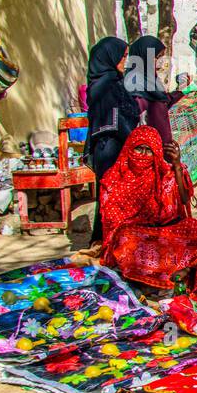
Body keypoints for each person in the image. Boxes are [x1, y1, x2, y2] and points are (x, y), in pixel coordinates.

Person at [98, 126, 197, 290]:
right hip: (134, 235)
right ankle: (144, 277)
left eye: (149, 150)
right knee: (125, 238)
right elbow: (112, 224)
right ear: (130, 148)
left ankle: (171, 274)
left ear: (157, 153)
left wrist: (176, 166)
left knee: (193, 227)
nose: (143, 155)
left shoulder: (165, 173)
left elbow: (183, 199)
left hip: (164, 232)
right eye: (139, 148)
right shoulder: (114, 178)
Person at [82, 37, 134, 247]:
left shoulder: (107, 83)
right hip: (111, 149)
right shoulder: (107, 86)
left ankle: (107, 240)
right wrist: (137, 140)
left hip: (111, 147)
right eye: (122, 57)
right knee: (111, 197)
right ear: (110, 58)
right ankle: (107, 242)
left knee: (111, 197)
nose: (125, 61)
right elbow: (117, 121)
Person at [123, 35, 184, 146]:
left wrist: (182, 90)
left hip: (160, 148)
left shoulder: (151, 81)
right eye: (157, 57)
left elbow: (163, 102)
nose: (160, 62)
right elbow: (136, 121)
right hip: (146, 151)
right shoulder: (136, 84)